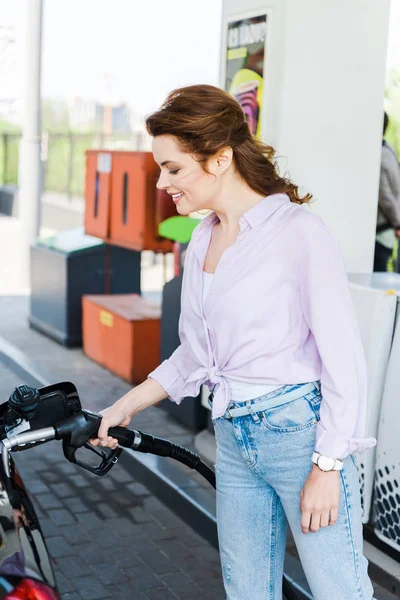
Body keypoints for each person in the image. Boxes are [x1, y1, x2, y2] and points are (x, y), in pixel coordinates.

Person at [90, 84, 377, 599]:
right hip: (235, 440)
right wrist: (124, 405)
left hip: (300, 438)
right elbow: (198, 355)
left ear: (220, 159)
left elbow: (344, 360)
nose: (162, 182)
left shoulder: (299, 232)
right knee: (246, 592)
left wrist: (329, 465)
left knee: (341, 591)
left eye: (173, 168)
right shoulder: (203, 237)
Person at [374, 112, 400, 272]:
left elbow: (385, 197)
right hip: (387, 231)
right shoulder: (389, 150)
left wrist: (397, 222)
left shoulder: (381, 155)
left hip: (382, 233)